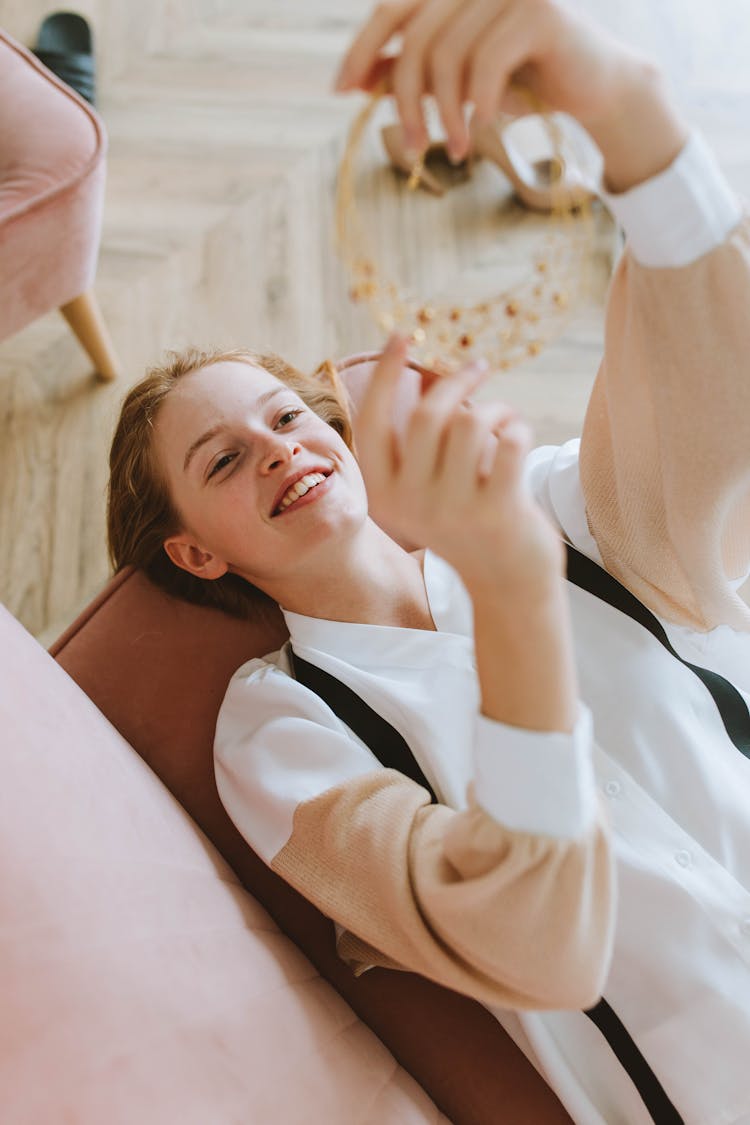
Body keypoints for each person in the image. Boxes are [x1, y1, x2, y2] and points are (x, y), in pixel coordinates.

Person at [106, 2, 750, 1122]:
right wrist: (505, 590)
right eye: (223, 458)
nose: (278, 450)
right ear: (197, 551)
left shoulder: (548, 509)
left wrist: (633, 120)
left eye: (288, 418)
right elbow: (534, 949)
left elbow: (713, 413)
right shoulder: (279, 734)